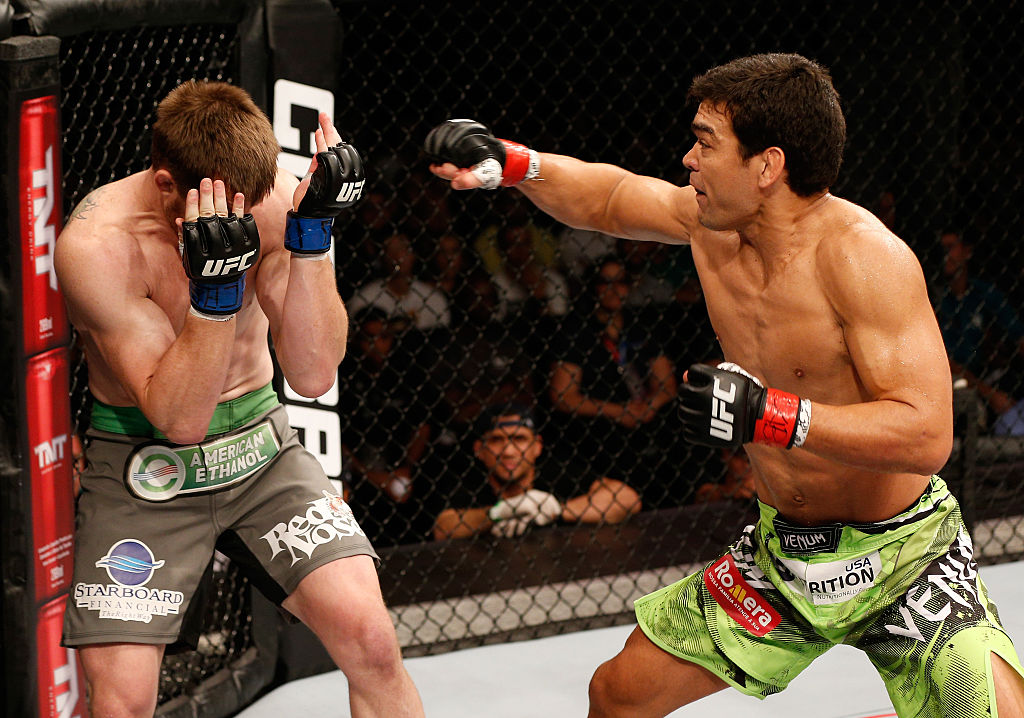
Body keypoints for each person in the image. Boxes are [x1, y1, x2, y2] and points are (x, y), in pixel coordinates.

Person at [424, 53, 1024, 717]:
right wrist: (513, 164)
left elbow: (926, 433)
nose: (687, 159)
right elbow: (612, 197)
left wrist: (771, 415)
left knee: (990, 711)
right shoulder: (710, 230)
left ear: (767, 166)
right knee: (618, 694)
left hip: (900, 554)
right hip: (784, 555)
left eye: (706, 143)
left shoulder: (864, 258)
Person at [55, 80, 424, 717]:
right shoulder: (97, 247)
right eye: (227, 207)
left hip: (261, 452)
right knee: (120, 704)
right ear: (167, 183)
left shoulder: (274, 200)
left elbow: (311, 374)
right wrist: (214, 298)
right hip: (144, 468)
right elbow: (178, 419)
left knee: (372, 642)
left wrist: (312, 235)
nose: (241, 222)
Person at [548, 254, 679, 486]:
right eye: (605, 282)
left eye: (621, 282)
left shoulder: (640, 327)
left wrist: (649, 406)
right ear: (593, 286)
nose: (613, 289)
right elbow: (563, 396)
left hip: (646, 417)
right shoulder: (576, 332)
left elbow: (667, 384)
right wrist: (617, 412)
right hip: (598, 428)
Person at [432, 403, 641, 540]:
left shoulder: (556, 472)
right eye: (497, 440)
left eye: (519, 439)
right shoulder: (470, 481)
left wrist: (553, 509)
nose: (508, 451)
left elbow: (627, 498)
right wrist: (498, 512)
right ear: (479, 449)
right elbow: (443, 527)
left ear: (537, 446)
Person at [933, 228, 1024, 435]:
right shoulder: (934, 298)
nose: (945, 254)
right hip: (948, 381)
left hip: (985, 374)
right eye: (941, 249)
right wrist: (989, 394)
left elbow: (1018, 334)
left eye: (950, 247)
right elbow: (944, 362)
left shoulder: (982, 293)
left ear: (967, 252)